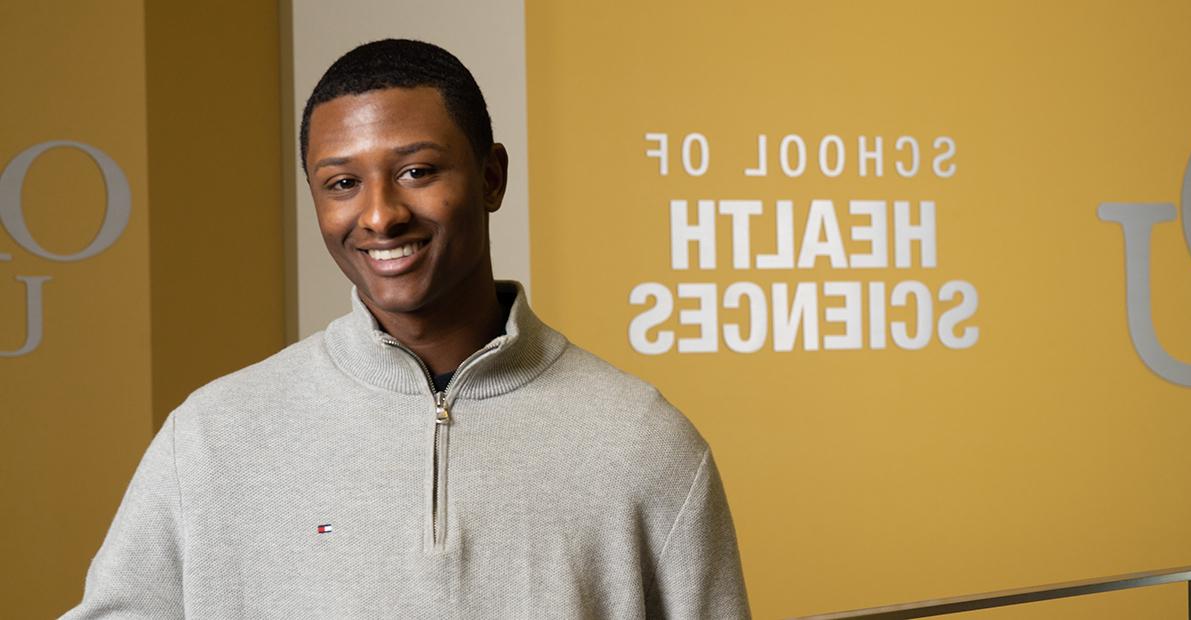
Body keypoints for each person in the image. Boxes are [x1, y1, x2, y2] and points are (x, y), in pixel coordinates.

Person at [64, 39, 749, 618]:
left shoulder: (642, 441)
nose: (381, 215)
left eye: (417, 171)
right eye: (341, 184)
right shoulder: (212, 436)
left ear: (491, 177)